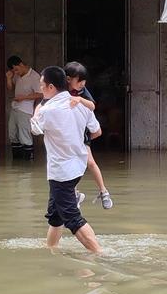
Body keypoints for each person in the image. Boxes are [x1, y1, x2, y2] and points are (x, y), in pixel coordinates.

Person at [31, 66, 103, 254]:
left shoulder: (48, 111)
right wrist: (74, 140)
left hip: (61, 173)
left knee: (72, 219)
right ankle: (51, 250)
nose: (40, 89)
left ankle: (100, 255)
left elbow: (35, 129)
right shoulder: (81, 104)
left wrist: (40, 106)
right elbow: (96, 131)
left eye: (41, 85)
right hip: (77, 166)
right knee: (56, 216)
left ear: (51, 87)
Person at [64, 61, 113, 210]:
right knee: (70, 166)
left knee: (90, 163)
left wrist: (79, 99)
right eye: (79, 80)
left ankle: (103, 192)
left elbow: (92, 106)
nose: (82, 84)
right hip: (67, 136)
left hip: (81, 135)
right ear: (68, 79)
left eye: (84, 81)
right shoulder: (60, 91)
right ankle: (75, 193)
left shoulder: (82, 91)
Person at [6, 56, 43, 160]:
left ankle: (28, 165)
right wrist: (9, 78)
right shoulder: (17, 75)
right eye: (14, 71)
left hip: (25, 110)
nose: (16, 72)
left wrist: (24, 98)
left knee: (24, 136)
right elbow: (10, 88)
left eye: (16, 69)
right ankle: (16, 163)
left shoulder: (34, 76)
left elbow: (40, 94)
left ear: (21, 64)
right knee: (12, 134)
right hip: (15, 108)